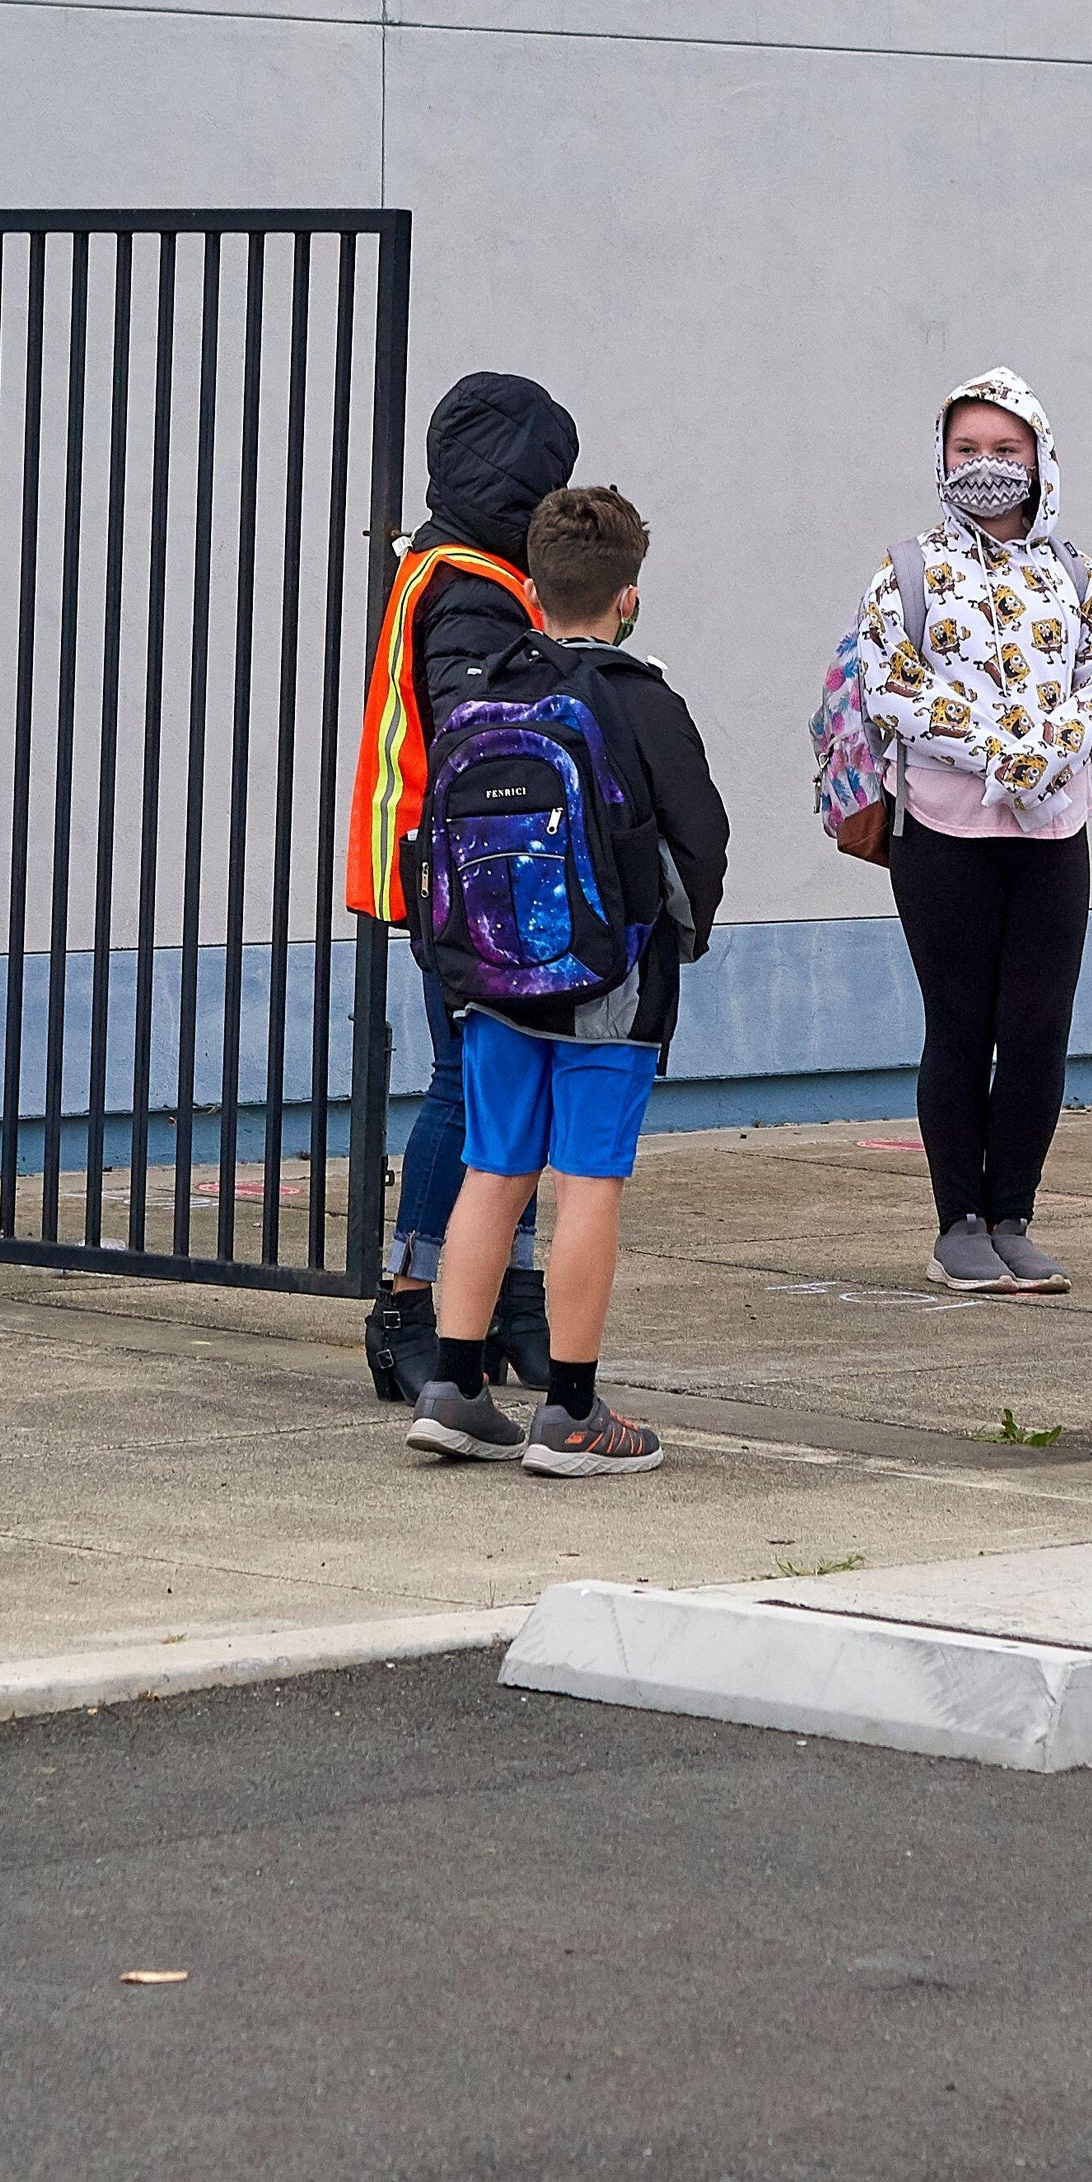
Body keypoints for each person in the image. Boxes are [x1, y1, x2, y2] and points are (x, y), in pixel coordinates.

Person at [408, 485, 729, 1477]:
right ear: (626, 598)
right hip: (610, 983)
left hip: (497, 974)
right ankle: (574, 1411)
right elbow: (701, 841)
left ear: (532, 589)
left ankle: (455, 1389)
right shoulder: (642, 699)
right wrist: (681, 938)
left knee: (493, 1168)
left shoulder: (487, 686)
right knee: (589, 1179)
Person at [851, 368, 1092, 1293]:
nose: (986, 467)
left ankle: (1014, 1214)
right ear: (940, 457)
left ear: (1041, 458)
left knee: (1040, 1028)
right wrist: (1002, 756)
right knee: (960, 1024)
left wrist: (1049, 758)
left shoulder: (1081, 576)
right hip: (942, 833)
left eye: (1005, 450)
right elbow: (891, 685)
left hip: (1055, 835)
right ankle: (956, 1224)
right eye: (966, 449)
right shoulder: (907, 572)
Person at [343, 371, 576, 1399]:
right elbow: (479, 733)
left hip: (457, 867)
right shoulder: (476, 586)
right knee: (470, 1083)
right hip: (469, 874)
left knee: (503, 1084)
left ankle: (510, 1300)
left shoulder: (448, 563)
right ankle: (411, 1301)